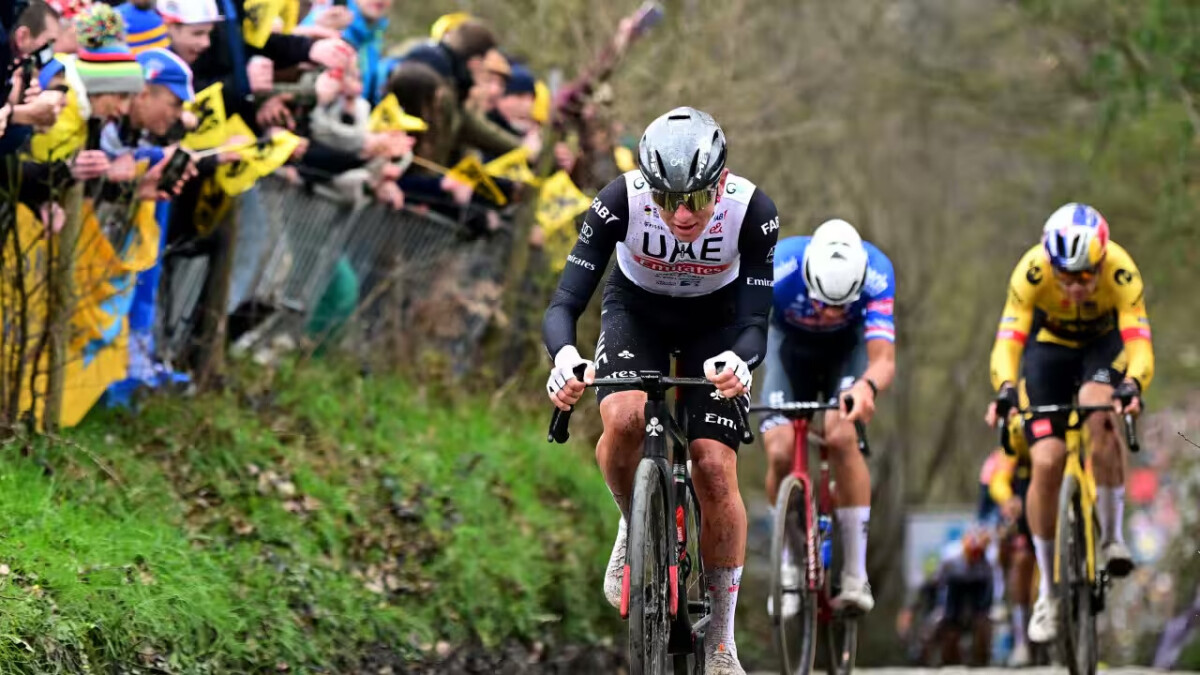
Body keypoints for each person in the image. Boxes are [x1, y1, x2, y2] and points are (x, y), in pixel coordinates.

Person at [543, 107, 779, 675]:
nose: (679, 214)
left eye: (696, 201)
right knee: (622, 419)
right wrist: (566, 358)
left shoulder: (754, 212)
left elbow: (754, 325)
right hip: (637, 312)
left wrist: (741, 363)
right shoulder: (619, 200)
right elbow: (564, 304)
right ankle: (635, 520)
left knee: (714, 467)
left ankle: (721, 640)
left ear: (720, 183)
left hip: (718, 323)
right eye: (666, 199)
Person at [985, 203, 1154, 643]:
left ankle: (1114, 537)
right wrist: (1005, 389)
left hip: (1103, 345)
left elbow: (1139, 342)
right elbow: (1008, 343)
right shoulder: (1030, 272)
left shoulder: (1121, 271)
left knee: (1098, 410)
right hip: (1049, 349)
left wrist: (1133, 384)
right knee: (1045, 461)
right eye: (1066, 277)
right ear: (1050, 266)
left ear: (1100, 263)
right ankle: (1049, 593)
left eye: (1085, 276)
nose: (1076, 286)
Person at [758, 219, 896, 614]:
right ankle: (788, 560)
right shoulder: (778, 266)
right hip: (789, 348)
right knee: (780, 450)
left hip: (846, 354)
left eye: (842, 305)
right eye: (823, 302)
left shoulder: (877, 273)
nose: (832, 313)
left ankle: (854, 574)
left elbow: (883, 359)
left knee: (840, 436)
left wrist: (866, 388)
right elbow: (744, 328)